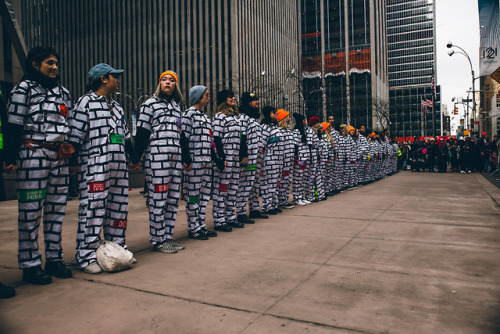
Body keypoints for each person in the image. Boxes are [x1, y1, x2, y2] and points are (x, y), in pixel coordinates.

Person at [7, 46, 73, 284]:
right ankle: (30, 264)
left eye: (56, 63)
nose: (55, 67)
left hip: (60, 158)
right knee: (30, 212)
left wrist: (72, 160)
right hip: (33, 156)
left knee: (56, 211)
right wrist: (10, 157)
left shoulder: (63, 93)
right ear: (35, 65)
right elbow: (13, 124)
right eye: (49, 63)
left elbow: (70, 127)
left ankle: (54, 259)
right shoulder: (23, 89)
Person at [69, 63, 140, 273]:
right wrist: (73, 164)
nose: (118, 80)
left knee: (118, 210)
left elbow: (126, 137)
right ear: (103, 79)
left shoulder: (117, 107)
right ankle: (86, 255)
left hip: (118, 167)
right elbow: (75, 137)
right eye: (114, 77)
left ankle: (117, 248)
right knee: (93, 209)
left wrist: (134, 158)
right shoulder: (84, 103)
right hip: (95, 167)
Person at [134, 70, 189, 251]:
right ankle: (157, 239)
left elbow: (181, 136)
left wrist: (186, 157)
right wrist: (136, 156)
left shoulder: (176, 107)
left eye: (171, 80)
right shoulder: (149, 104)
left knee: (173, 198)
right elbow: (142, 132)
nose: (167, 83)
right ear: (159, 83)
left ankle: (167, 237)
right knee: (158, 197)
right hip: (157, 156)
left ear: (176, 85)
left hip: (175, 157)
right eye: (164, 80)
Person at [180, 86, 219, 240]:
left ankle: (201, 225)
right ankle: (193, 228)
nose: (208, 97)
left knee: (203, 197)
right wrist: (187, 159)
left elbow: (210, 141)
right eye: (206, 95)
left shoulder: (205, 117)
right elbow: (184, 137)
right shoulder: (188, 115)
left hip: (206, 163)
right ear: (198, 97)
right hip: (194, 164)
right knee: (193, 197)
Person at [212, 90, 244, 231]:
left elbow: (241, 139)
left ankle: (231, 218)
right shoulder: (219, 117)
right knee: (222, 190)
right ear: (223, 100)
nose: (233, 98)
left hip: (235, 159)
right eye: (229, 97)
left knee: (233, 190)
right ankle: (219, 220)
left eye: (233, 96)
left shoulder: (237, 118)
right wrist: (221, 158)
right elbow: (216, 139)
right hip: (225, 158)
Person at [236, 92, 265, 222]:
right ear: (248, 102)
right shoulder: (243, 117)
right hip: (249, 156)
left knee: (254, 184)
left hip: (257, 156)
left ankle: (254, 209)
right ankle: (241, 213)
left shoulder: (254, 118)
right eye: (254, 101)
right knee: (245, 184)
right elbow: (242, 137)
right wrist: (244, 155)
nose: (257, 102)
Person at [260, 106, 284, 214]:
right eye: (273, 113)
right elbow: (262, 144)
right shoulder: (265, 127)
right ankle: (267, 206)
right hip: (269, 158)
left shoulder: (275, 127)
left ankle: (274, 204)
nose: (275, 114)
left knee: (275, 183)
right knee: (268, 184)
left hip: (278, 159)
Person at [277, 109, 295, 208]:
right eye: (288, 116)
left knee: (287, 180)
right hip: (283, 160)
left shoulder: (288, 131)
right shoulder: (280, 131)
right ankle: (281, 200)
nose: (290, 118)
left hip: (289, 160)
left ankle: (284, 199)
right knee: (283, 180)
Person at [291, 113, 310, 206]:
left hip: (304, 158)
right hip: (300, 158)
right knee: (298, 179)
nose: (305, 122)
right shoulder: (296, 131)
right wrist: (296, 158)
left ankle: (301, 197)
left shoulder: (303, 131)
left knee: (302, 178)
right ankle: (297, 198)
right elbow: (295, 145)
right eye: (304, 120)